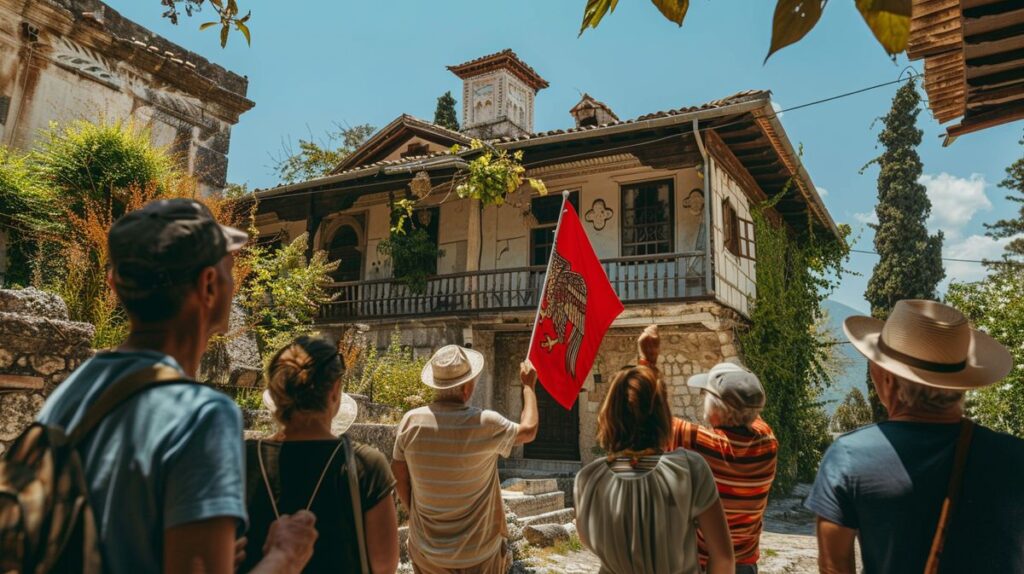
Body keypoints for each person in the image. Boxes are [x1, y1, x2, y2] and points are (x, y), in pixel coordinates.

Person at [36, 199, 317, 573]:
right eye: (231, 272)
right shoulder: (201, 415)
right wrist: (285, 555)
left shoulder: (71, 392)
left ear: (113, 284)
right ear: (209, 285)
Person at [806, 299, 1024, 573]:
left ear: (885, 378)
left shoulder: (850, 458)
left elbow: (834, 566)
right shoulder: (1015, 457)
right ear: (962, 384)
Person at [242, 335, 399, 573]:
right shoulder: (366, 464)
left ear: (275, 394)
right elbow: (384, 565)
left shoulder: (243, 459)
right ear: (335, 392)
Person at [637, 326, 778, 574]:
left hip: (703, 565)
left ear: (716, 406)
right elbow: (749, 410)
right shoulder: (767, 444)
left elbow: (650, 417)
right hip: (745, 565)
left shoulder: (701, 444)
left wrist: (647, 361)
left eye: (705, 394)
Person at [391, 345, 539, 574]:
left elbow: (398, 474)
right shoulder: (486, 424)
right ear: (467, 388)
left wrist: (414, 510)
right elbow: (529, 430)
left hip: (427, 552)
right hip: (477, 555)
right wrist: (528, 387)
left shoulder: (411, 422)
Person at [575, 365, 735, 574]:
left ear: (609, 416)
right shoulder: (688, 469)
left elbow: (589, 539)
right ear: (663, 417)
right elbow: (723, 559)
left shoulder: (588, 479)